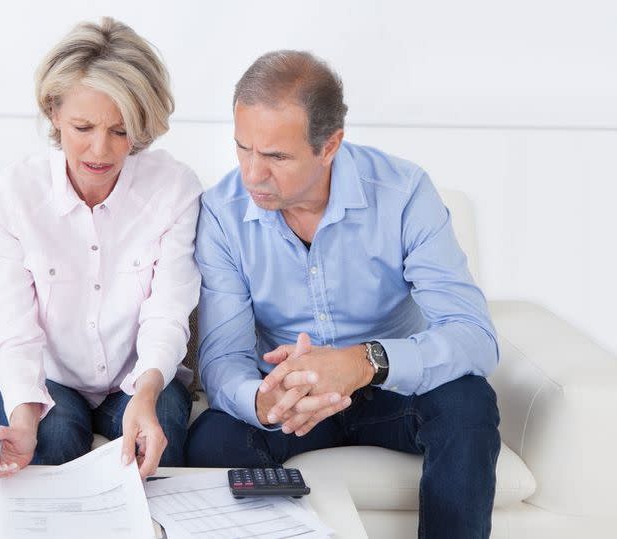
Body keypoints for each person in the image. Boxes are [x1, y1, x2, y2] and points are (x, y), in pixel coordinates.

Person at [185, 50, 501, 538]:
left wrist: (362, 362)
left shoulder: (404, 193)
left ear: (329, 145)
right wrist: (263, 402)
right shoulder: (222, 213)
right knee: (212, 437)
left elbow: (475, 337)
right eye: (243, 148)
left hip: (391, 389)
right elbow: (222, 357)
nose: (252, 174)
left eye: (275, 156)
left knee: (468, 405)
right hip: (290, 399)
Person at [0, 18, 202, 480]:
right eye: (82, 127)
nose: (101, 150)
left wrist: (146, 393)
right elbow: (12, 328)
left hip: (139, 377)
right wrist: (21, 421)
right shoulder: (13, 195)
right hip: (48, 377)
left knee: (155, 449)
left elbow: (169, 311)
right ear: (54, 112)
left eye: (121, 131)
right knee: (53, 439)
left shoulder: (174, 189)